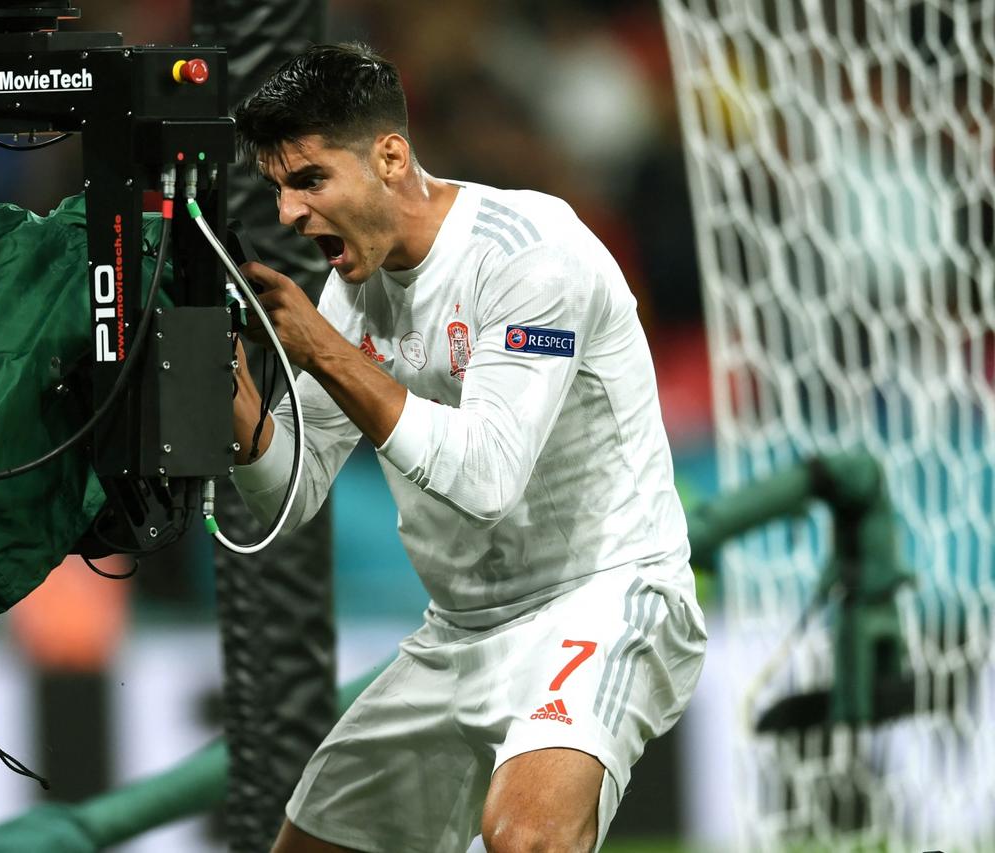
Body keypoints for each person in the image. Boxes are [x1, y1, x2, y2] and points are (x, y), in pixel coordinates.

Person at [228, 43, 707, 853]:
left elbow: (487, 476)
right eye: (279, 189)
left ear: (390, 157)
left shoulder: (529, 253)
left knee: (528, 838)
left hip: (603, 595)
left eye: (309, 180)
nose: (289, 214)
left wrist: (329, 355)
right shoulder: (348, 293)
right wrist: (227, 397)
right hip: (460, 630)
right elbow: (288, 493)